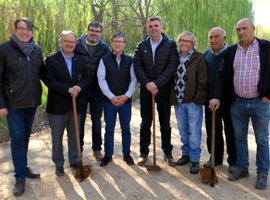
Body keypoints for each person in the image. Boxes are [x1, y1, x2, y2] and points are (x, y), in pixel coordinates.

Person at [209, 18, 270, 190]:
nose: (241, 32)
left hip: (260, 102)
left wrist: (268, 95)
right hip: (238, 102)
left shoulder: (266, 47)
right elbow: (221, 75)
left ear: (253, 29)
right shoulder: (232, 51)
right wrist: (216, 97)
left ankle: (262, 172)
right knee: (239, 137)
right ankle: (242, 168)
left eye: (244, 28)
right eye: (238, 29)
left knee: (261, 139)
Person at [0, 18, 42, 196]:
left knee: (25, 136)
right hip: (13, 103)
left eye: (29, 29)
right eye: (21, 29)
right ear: (15, 30)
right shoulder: (4, 49)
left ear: (32, 32)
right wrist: (1, 104)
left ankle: (23, 167)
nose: (25, 32)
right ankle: (19, 178)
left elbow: (42, 72)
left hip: (31, 103)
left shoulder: (37, 50)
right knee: (17, 138)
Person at [42, 31, 90, 176]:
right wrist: (67, 89)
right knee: (57, 137)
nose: (70, 44)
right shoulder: (50, 60)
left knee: (75, 135)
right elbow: (49, 80)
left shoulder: (80, 60)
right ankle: (58, 163)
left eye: (73, 42)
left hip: (77, 104)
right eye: (66, 41)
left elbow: (87, 78)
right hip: (57, 106)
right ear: (60, 42)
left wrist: (79, 87)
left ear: (76, 44)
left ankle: (74, 160)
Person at [134, 16, 178, 166]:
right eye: (151, 26)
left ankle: (167, 152)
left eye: (156, 25)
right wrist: (148, 84)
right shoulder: (141, 45)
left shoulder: (171, 44)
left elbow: (172, 66)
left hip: (163, 92)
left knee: (165, 123)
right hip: (146, 93)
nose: (154, 28)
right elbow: (137, 66)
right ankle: (144, 152)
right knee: (145, 123)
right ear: (147, 29)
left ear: (161, 27)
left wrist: (157, 84)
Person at [97, 32, 138, 167]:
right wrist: (112, 97)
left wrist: (126, 96)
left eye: (120, 41)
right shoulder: (104, 60)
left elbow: (133, 80)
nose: (118, 44)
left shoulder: (129, 60)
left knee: (125, 128)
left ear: (124, 43)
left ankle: (126, 153)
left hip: (125, 101)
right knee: (109, 128)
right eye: (115, 41)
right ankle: (108, 154)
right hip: (109, 101)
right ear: (111, 42)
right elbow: (101, 79)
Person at [170, 31, 207, 174]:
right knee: (183, 131)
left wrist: (197, 100)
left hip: (192, 102)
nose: (185, 43)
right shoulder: (174, 57)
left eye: (188, 41)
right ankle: (186, 155)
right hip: (178, 102)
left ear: (193, 44)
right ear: (178, 42)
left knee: (194, 132)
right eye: (182, 40)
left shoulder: (199, 58)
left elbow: (203, 81)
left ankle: (195, 159)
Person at [74, 21, 111, 160]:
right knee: (80, 120)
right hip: (80, 89)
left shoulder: (105, 47)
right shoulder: (77, 45)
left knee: (97, 121)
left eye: (97, 31)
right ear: (87, 30)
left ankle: (97, 149)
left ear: (101, 33)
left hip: (97, 90)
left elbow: (113, 60)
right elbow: (65, 53)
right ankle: (79, 150)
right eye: (92, 30)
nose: (94, 33)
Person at [203, 27, 237, 172]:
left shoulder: (233, 53)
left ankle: (233, 161)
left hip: (229, 100)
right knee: (213, 131)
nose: (213, 40)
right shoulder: (206, 55)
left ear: (224, 38)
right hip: (210, 101)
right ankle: (215, 157)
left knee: (231, 131)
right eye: (211, 37)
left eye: (216, 37)